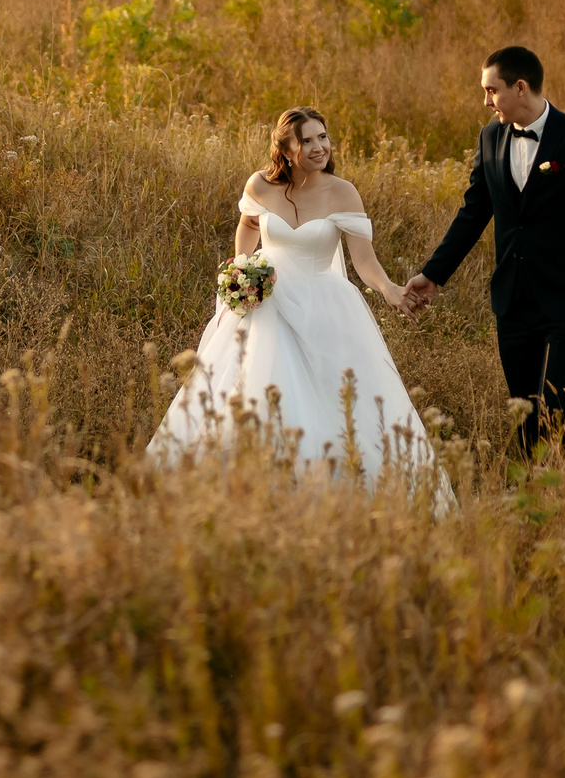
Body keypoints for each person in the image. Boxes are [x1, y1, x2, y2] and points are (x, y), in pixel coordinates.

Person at [148, 107, 449, 495]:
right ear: (286, 148)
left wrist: (390, 290)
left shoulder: (342, 192)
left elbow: (364, 259)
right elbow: (249, 225)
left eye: (322, 137)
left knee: (328, 400)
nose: (318, 146)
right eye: (306, 140)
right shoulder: (260, 185)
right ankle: (247, 485)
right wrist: (242, 270)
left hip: (323, 307)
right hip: (266, 306)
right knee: (252, 390)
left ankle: (325, 487)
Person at [402, 46, 565, 454]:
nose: (486, 102)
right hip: (513, 299)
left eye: (492, 91)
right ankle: (552, 493)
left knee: (557, 407)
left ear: (520, 87)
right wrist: (433, 274)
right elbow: (474, 213)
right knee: (524, 409)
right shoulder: (489, 138)